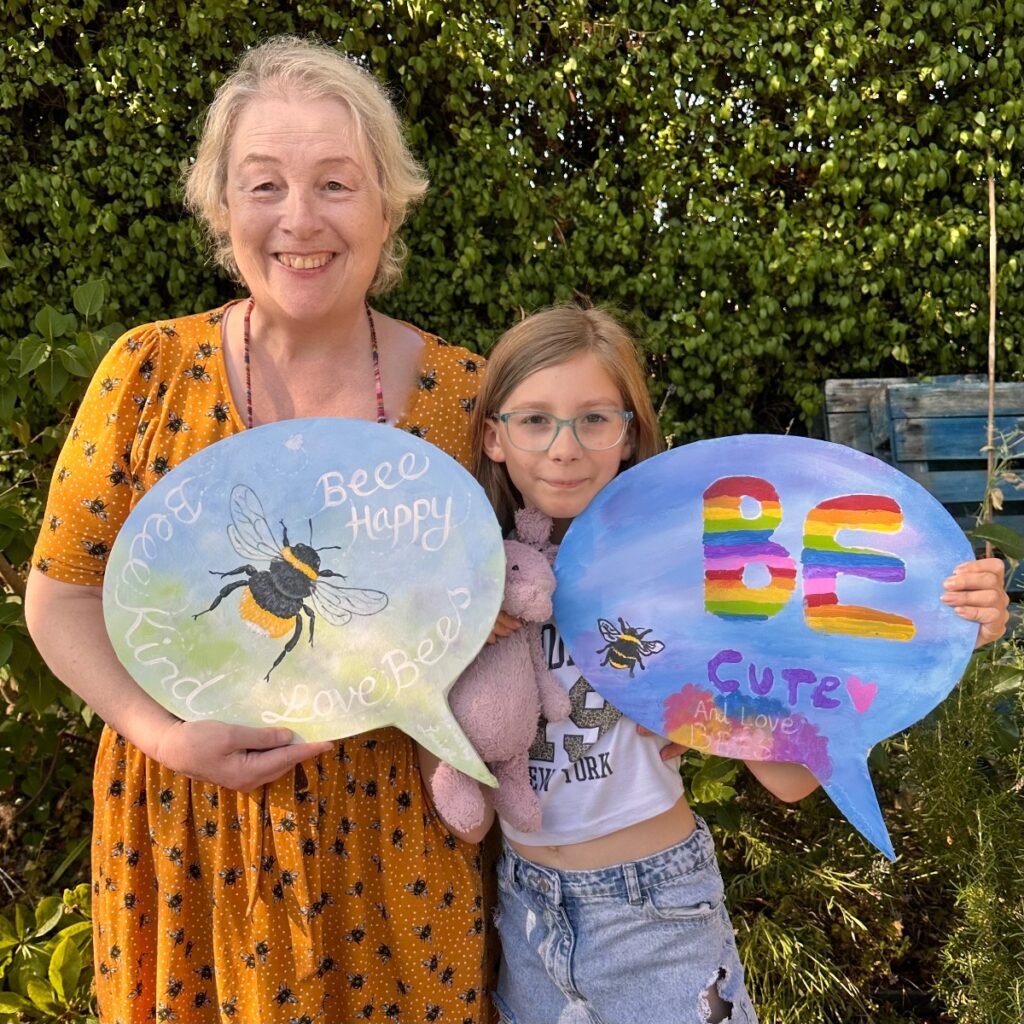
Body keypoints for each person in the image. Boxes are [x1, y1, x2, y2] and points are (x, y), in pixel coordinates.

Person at [26, 37, 495, 1024]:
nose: (299, 219)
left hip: (396, 843)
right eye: (264, 184)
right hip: (190, 836)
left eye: (335, 183)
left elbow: (536, 587)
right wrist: (160, 732)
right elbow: (61, 592)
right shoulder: (145, 372)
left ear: (386, 203)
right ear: (222, 205)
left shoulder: (464, 395)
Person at [452, 304, 1010, 1024]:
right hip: (523, 909)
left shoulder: (692, 575)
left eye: (595, 419)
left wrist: (946, 623)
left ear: (629, 436)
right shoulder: (471, 579)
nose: (564, 448)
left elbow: (787, 778)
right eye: (535, 420)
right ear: (494, 437)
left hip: (656, 912)